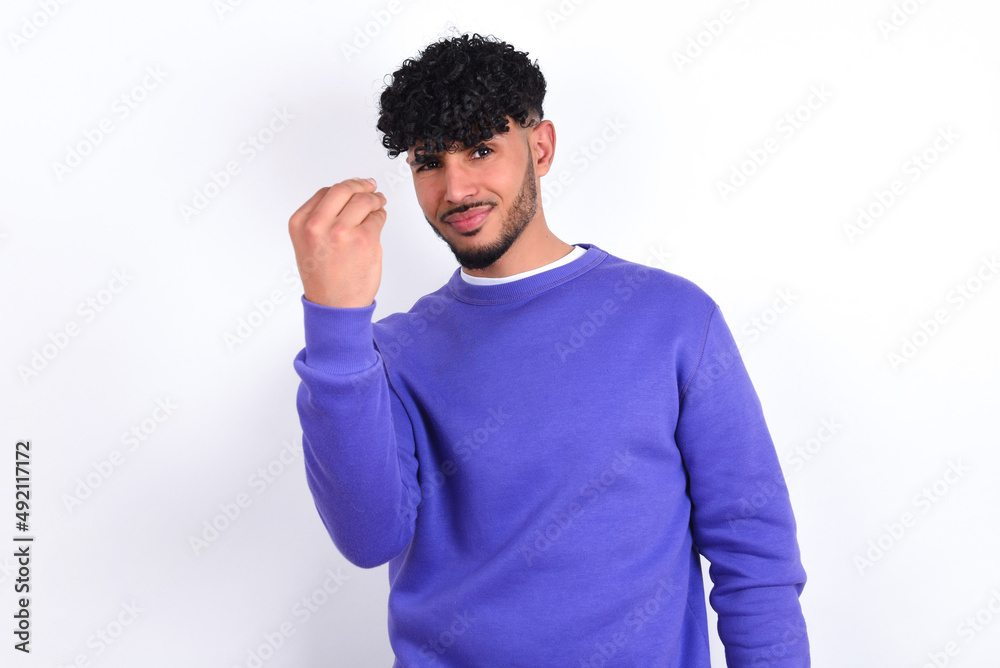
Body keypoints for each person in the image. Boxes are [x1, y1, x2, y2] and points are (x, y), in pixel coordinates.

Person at [288, 32, 809, 667]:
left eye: (481, 149)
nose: (455, 188)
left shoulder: (671, 318)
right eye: (430, 162)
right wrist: (335, 321)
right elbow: (369, 538)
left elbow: (753, 550)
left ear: (541, 147)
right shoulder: (390, 354)